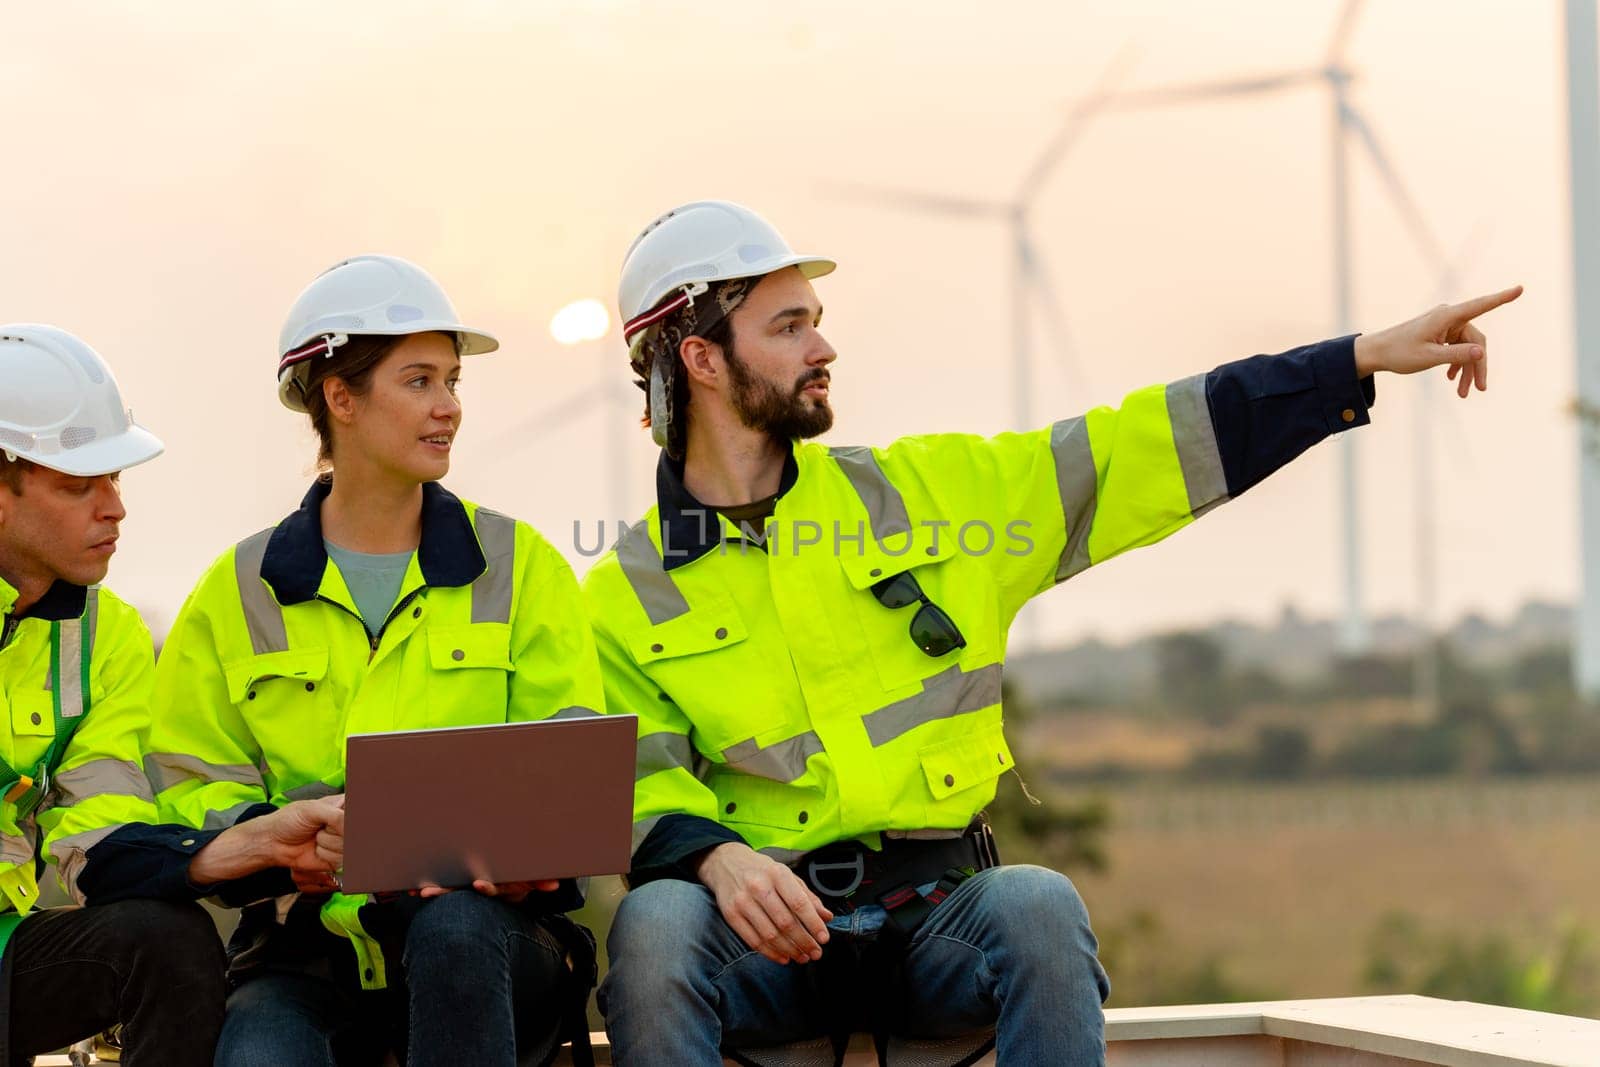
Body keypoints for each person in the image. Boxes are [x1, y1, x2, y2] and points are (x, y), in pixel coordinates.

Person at [582, 200, 1522, 1065]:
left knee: (1038, 900)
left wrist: (1349, 361)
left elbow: (1138, 448)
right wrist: (713, 855)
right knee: (658, 923)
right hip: (763, 942)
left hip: (939, 920)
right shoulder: (623, 590)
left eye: (815, 318)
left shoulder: (936, 496)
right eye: (789, 326)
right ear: (700, 358)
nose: (823, 345)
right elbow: (629, 777)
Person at [143, 255, 607, 1067]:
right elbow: (187, 782)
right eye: (420, 380)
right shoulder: (235, 590)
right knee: (258, 1055)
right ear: (342, 397)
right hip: (303, 949)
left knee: (456, 930)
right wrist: (275, 842)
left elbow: (573, 758)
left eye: (454, 381)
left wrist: (527, 859)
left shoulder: (522, 564)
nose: (450, 407)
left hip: (490, 944)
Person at [0, 324, 350, 1065]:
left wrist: (247, 843)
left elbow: (100, 835)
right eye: (76, 485)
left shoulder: (107, 636)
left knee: (168, 937)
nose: (114, 508)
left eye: (115, 479)